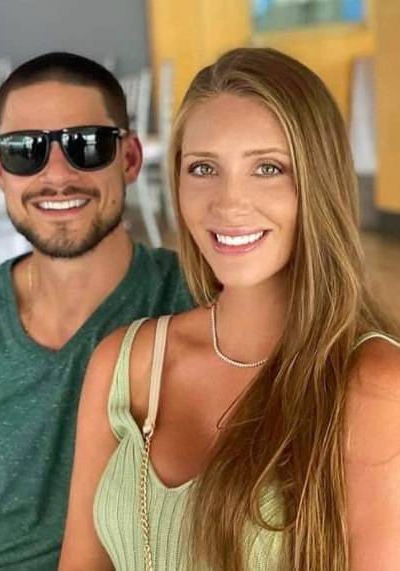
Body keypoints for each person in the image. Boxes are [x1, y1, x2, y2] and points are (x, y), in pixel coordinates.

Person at [58, 47, 400, 571]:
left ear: (320, 180)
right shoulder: (124, 363)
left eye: (267, 167)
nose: (228, 203)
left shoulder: (376, 386)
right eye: (203, 168)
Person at [0, 52, 193, 571]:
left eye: (87, 145)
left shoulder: (194, 301)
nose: (57, 174)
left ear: (128, 159)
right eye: (24, 150)